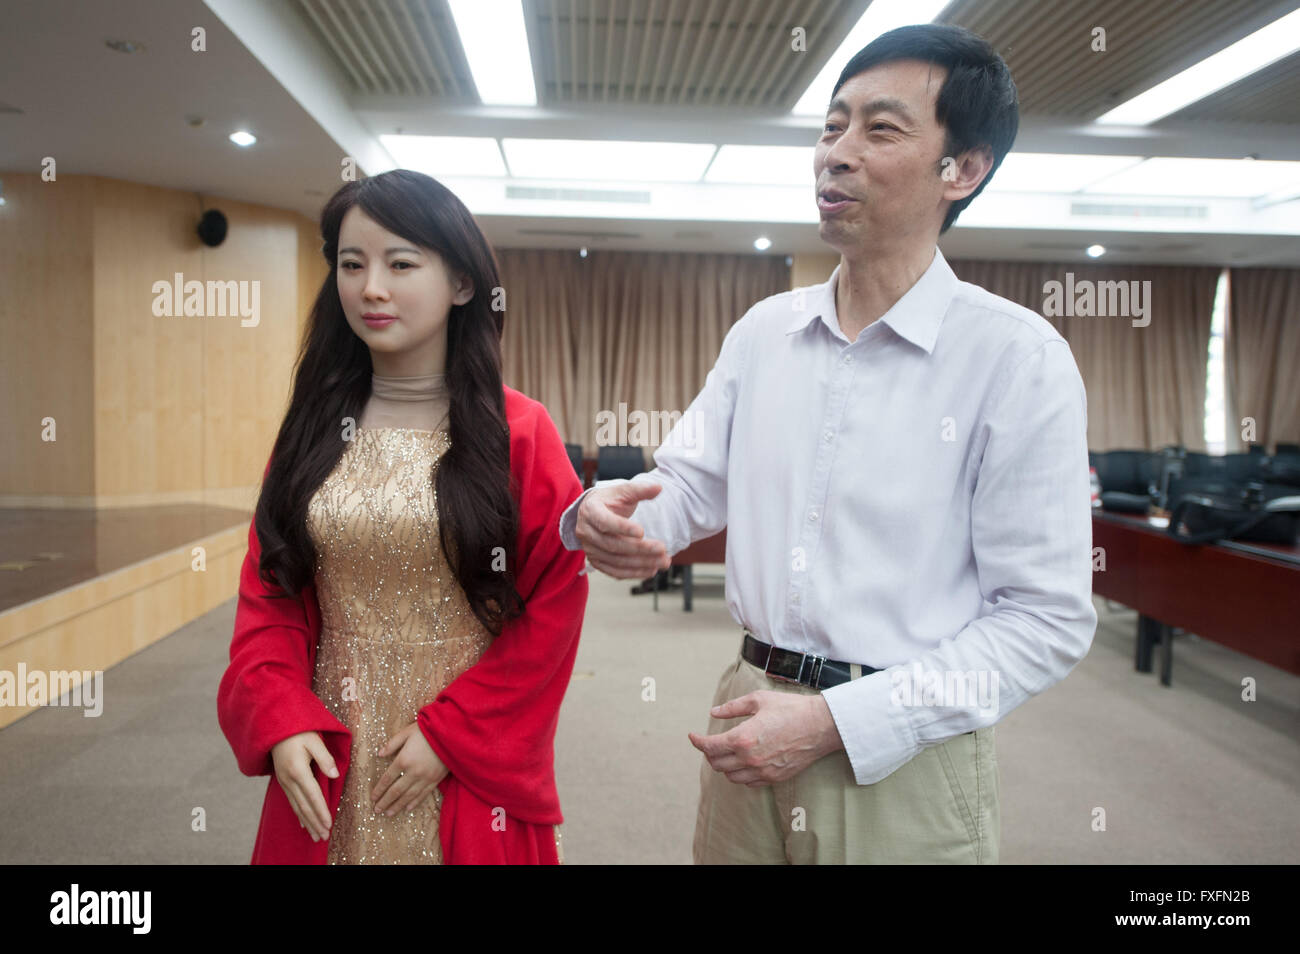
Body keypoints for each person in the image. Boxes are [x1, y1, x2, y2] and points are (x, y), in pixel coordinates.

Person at [560, 23, 1097, 863]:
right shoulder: (764, 331)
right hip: (748, 713)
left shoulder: (1017, 359)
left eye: (879, 130)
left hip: (902, 748)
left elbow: (1045, 619)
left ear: (963, 169)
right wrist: (610, 518)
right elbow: (686, 487)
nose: (835, 153)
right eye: (831, 125)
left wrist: (836, 722)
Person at [217, 169, 588, 864]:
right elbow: (270, 592)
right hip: (332, 746)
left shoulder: (521, 432)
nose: (371, 288)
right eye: (351, 265)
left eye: (401, 263)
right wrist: (281, 717)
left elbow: (555, 603)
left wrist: (453, 737)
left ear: (462, 283)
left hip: (463, 761)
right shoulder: (313, 429)